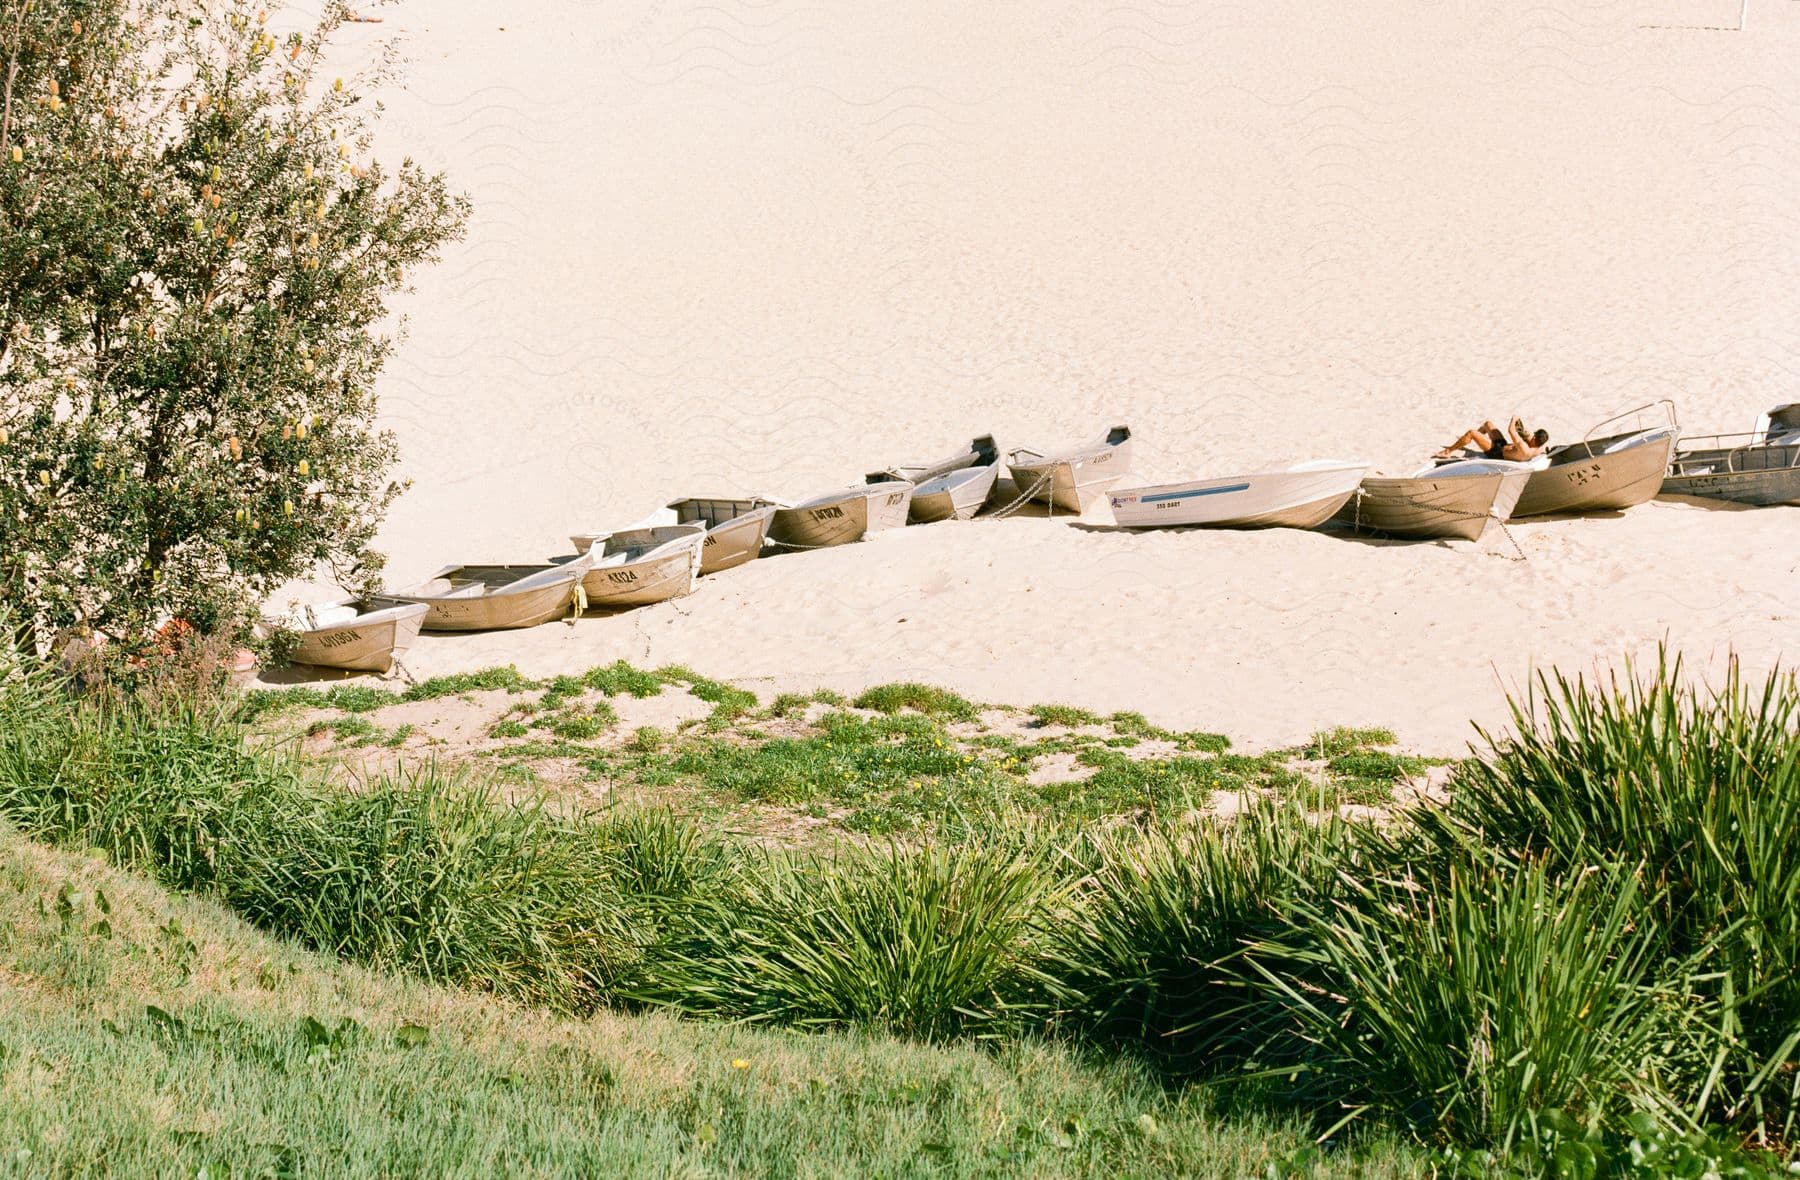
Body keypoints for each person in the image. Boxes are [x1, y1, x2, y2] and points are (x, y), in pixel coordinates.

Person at [1434, 417, 1549, 462]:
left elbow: (1511, 431)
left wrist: (1513, 420)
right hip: (1502, 445)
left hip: (1496, 453)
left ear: (1535, 438)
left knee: (1471, 433)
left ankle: (1448, 452)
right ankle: (1468, 439)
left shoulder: (1525, 448)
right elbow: (1526, 434)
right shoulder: (1538, 446)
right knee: (1488, 424)